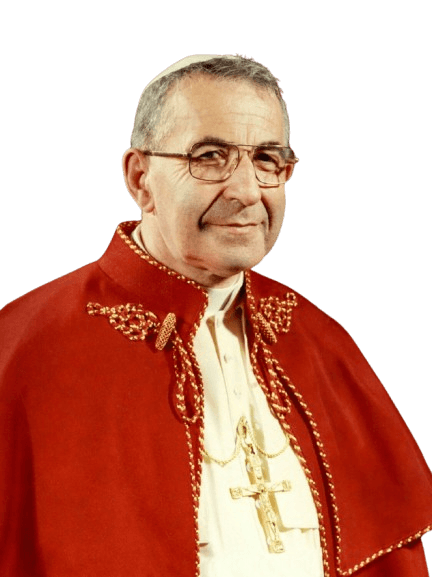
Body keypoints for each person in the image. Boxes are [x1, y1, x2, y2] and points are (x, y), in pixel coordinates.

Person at [0, 54, 431, 577]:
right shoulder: (27, 346)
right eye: (210, 156)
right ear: (141, 179)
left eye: (268, 159)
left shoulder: (320, 339)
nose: (248, 192)